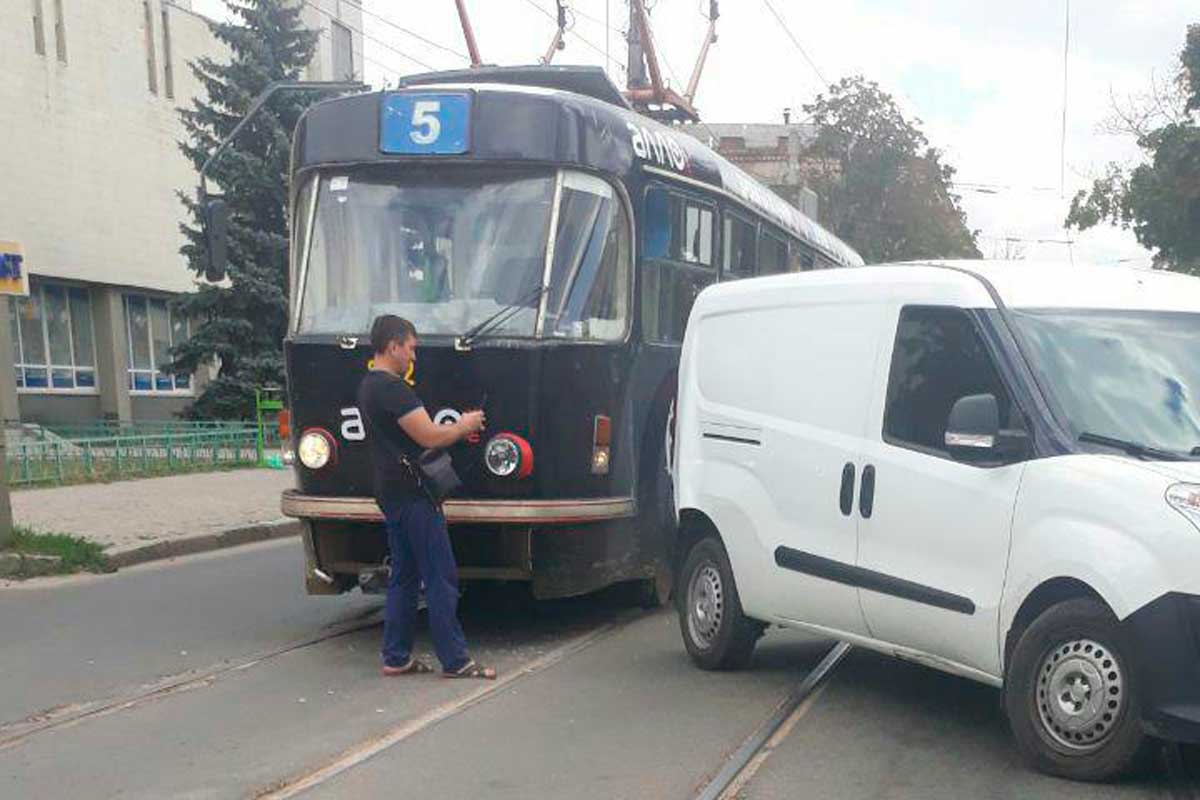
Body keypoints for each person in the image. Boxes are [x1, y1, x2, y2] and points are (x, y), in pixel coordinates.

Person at [357, 314, 497, 680]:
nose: (413, 358)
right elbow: (430, 436)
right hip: (413, 493)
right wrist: (464, 425)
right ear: (393, 346)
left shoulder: (368, 386)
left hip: (390, 490)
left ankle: (396, 655)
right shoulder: (392, 390)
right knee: (440, 575)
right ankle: (455, 660)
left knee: (404, 575)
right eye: (410, 348)